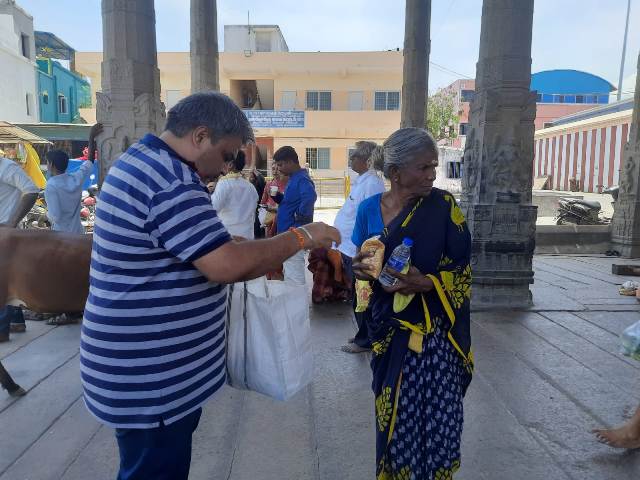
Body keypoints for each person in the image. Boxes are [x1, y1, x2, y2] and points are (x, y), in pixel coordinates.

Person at [80, 91, 339, 480]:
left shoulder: (145, 162)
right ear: (200, 136)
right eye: (225, 154)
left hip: (144, 370)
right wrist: (302, 236)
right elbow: (225, 266)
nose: (224, 167)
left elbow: (179, 247)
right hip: (153, 378)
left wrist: (225, 245)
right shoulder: (171, 179)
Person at [351, 127, 473, 479]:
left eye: (434, 166)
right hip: (389, 332)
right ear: (395, 172)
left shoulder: (443, 207)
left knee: (441, 417)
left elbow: (463, 267)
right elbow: (361, 261)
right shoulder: (369, 209)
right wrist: (361, 270)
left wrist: (429, 282)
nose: (432, 174)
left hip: (437, 336)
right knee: (397, 416)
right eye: (423, 167)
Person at [335, 141, 386, 353]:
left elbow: (373, 224)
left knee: (363, 295)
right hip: (350, 248)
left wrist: (364, 254)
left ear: (366, 161)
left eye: (354, 155)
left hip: (359, 251)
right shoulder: (362, 181)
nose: (351, 159)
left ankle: (366, 340)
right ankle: (363, 334)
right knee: (358, 294)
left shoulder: (372, 184)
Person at [0, 148, 39, 341]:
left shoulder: (7, 167)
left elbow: (31, 190)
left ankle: (2, 328)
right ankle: (16, 321)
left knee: (3, 281)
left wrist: (12, 223)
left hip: (5, 232)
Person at [44, 123, 102, 234]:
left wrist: (46, 215)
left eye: (47, 162)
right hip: (78, 233)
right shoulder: (76, 178)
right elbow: (90, 161)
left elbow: (55, 216)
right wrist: (91, 137)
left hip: (62, 236)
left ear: (51, 164)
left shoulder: (51, 185)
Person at [271, 146, 317, 284]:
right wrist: (277, 197)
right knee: (290, 271)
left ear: (290, 162)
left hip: (294, 234)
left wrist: (299, 219)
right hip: (288, 232)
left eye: (280, 165)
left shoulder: (301, 179)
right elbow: (290, 202)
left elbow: (310, 197)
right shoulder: (293, 178)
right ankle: (293, 296)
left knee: (294, 276)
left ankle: (297, 297)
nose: (279, 169)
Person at [210, 150, 258, 239]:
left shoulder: (224, 183)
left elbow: (213, 208)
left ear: (230, 165)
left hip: (230, 237)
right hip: (247, 236)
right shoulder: (250, 187)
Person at [248, 168, 266, 238]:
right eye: (250, 175)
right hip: (251, 210)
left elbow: (262, 181)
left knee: (258, 227)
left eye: (252, 175)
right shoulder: (249, 184)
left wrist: (256, 172)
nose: (250, 177)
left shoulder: (258, 183)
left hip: (258, 209)